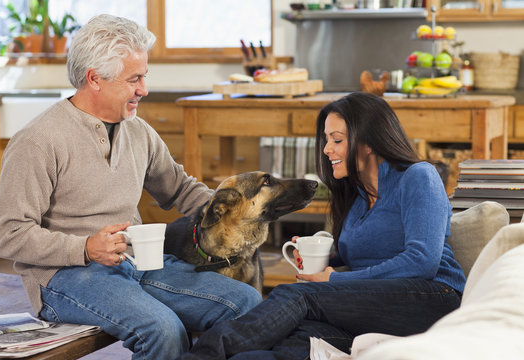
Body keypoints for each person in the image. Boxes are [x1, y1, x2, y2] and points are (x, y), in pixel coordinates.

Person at [0, 14, 261, 359]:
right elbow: (8, 234)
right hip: (64, 278)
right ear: (95, 79)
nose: (144, 89)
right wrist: (87, 247)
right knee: (162, 330)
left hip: (134, 262)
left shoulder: (138, 131)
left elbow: (179, 189)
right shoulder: (38, 141)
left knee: (245, 303)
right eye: (134, 79)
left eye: (144, 76)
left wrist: (239, 212)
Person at [178, 92, 467, 360]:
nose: (327, 149)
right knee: (285, 344)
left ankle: (199, 356)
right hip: (374, 309)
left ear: (369, 142)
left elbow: (422, 261)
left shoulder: (418, 176)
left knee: (296, 296)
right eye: (327, 139)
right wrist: (327, 258)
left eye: (337, 140)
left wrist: (335, 281)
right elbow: (364, 256)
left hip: (432, 300)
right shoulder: (355, 197)